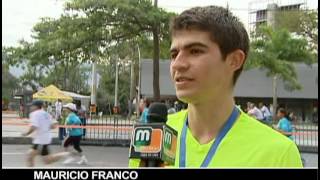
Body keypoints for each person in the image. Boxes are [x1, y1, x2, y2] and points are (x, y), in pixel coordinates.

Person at [129, 6, 302, 167]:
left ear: (234, 60)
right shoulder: (152, 138)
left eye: (195, 51)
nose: (177, 64)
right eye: (174, 54)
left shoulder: (278, 154)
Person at [21, 100, 70, 167]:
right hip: (45, 139)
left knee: (30, 156)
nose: (31, 107)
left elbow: (34, 127)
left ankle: (65, 154)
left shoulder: (34, 114)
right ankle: (65, 154)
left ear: (36, 106)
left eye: (32, 105)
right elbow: (52, 126)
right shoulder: (46, 114)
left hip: (40, 140)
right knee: (47, 160)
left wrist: (26, 133)